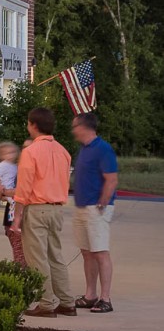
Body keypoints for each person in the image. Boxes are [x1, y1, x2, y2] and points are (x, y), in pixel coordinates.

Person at [13, 108, 76, 318]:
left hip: (37, 208)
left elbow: (24, 187)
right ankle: (67, 301)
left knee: (37, 257)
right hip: (57, 208)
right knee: (55, 255)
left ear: (33, 125)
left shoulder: (30, 152)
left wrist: (17, 217)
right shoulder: (63, 151)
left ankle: (46, 302)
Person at [70, 112, 118, 313]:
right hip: (82, 206)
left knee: (100, 252)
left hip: (95, 208)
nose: (72, 130)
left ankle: (105, 298)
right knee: (87, 252)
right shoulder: (83, 149)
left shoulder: (102, 149)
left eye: (74, 126)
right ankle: (91, 295)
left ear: (84, 126)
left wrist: (103, 203)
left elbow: (111, 179)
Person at [0, 141, 25, 267]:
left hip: (18, 212)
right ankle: (20, 270)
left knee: (20, 248)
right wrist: (1, 188)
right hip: (12, 212)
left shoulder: (19, 167)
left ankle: (21, 269)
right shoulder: (6, 165)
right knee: (17, 247)